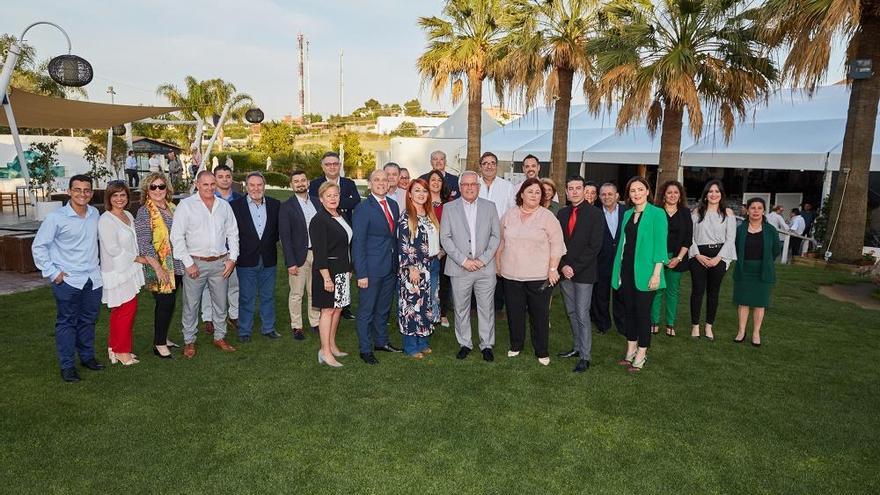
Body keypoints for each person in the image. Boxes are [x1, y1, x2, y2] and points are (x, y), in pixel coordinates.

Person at [32, 175, 105, 382]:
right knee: (66, 323)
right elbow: (39, 247)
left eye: (86, 190)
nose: (82, 193)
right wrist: (53, 273)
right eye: (77, 189)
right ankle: (67, 366)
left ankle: (87, 357)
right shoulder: (56, 217)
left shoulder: (95, 213)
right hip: (68, 281)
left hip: (92, 279)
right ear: (69, 191)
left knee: (88, 321)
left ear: (91, 193)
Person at [496, 178, 566, 366]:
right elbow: (501, 242)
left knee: (540, 315)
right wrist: (498, 265)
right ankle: (516, 345)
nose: (534, 195)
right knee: (514, 312)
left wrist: (553, 269)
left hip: (539, 276)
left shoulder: (548, 217)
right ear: (521, 194)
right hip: (511, 275)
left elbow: (557, 246)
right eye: (530, 191)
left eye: (538, 192)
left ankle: (541, 350)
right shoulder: (509, 215)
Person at [170, 170, 240, 358]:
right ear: (197, 184)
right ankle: (189, 341)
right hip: (195, 264)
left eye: (212, 184)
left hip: (220, 263)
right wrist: (188, 263)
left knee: (220, 303)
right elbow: (177, 237)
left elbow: (233, 233)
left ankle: (220, 337)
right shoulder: (186, 206)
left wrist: (232, 259)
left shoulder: (224, 206)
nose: (209, 188)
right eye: (205, 184)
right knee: (191, 305)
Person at [440, 171, 501, 362]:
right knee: (461, 308)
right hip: (460, 268)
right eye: (465, 184)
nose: (469, 187)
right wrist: (464, 261)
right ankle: (465, 343)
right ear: (459, 187)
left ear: (478, 186)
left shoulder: (490, 207)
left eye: (473, 184)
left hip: (485, 268)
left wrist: (482, 260)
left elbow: (495, 236)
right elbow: (445, 238)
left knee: (486, 308)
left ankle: (487, 344)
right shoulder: (449, 208)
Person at [612, 176, 668, 372]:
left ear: (647, 191)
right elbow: (623, 244)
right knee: (629, 313)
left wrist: (656, 274)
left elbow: (661, 245)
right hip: (626, 270)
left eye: (639, 189)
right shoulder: (627, 214)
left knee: (642, 314)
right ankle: (630, 350)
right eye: (632, 190)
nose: (636, 193)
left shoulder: (657, 214)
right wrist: (618, 272)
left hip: (647, 272)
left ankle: (642, 354)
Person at [352, 170, 402, 365]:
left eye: (384, 179)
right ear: (369, 184)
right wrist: (361, 273)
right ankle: (365, 349)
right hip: (371, 270)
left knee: (383, 309)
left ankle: (381, 342)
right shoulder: (363, 208)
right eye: (376, 180)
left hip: (390, 267)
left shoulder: (393, 205)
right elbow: (358, 243)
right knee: (367, 311)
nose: (381, 183)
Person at [556, 176, 603, 373]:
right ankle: (576, 348)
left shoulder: (595, 214)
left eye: (578, 188)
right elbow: (557, 243)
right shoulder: (562, 213)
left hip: (583, 273)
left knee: (582, 314)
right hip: (565, 272)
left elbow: (594, 247)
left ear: (584, 190)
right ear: (566, 192)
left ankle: (585, 356)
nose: (574, 192)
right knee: (572, 312)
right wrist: (563, 266)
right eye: (570, 188)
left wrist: (573, 267)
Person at [135, 172, 183, 359]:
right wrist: (158, 267)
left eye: (161, 186)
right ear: (147, 190)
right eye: (153, 187)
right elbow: (144, 242)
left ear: (167, 188)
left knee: (169, 304)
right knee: (165, 303)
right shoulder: (144, 211)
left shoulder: (172, 207)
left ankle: (163, 336)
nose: (157, 190)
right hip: (159, 264)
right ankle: (159, 344)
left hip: (176, 263)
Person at [98, 181, 146, 366]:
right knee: (125, 311)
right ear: (109, 198)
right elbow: (113, 249)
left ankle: (114, 348)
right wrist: (138, 259)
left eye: (122, 195)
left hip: (129, 269)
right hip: (117, 272)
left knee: (121, 312)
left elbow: (132, 241)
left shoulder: (127, 215)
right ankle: (122, 351)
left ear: (127, 197)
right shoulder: (106, 220)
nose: (119, 199)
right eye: (115, 195)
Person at [309, 151, 361, 321]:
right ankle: (326, 345)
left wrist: (337, 204)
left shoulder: (348, 183)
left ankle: (344, 309)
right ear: (322, 166)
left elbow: (356, 201)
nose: (332, 166)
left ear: (340, 165)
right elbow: (316, 204)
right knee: (329, 307)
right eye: (328, 164)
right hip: (329, 248)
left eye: (335, 164)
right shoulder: (315, 185)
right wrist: (339, 203)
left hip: (344, 240)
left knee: (338, 301)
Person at [231, 172, 281, 342]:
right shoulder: (235, 206)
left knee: (268, 296)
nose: (256, 188)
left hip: (269, 259)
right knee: (246, 296)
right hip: (246, 259)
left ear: (264, 186)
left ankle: (268, 327)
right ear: (246, 186)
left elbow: (277, 232)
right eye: (252, 185)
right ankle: (244, 330)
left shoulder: (275, 205)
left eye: (259, 185)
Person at [310, 181, 353, 368]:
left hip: (342, 271)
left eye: (336, 195)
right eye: (329, 196)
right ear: (321, 199)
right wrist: (327, 278)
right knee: (327, 310)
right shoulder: (319, 220)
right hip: (327, 272)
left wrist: (349, 269)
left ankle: (332, 346)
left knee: (338, 309)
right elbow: (319, 252)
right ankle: (325, 352)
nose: (333, 198)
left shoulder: (340, 215)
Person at [398, 178, 441, 358]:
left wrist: (438, 252)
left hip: (432, 264)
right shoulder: (406, 217)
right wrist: (411, 267)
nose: (421, 194)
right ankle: (411, 346)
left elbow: (433, 237)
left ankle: (423, 342)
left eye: (424, 191)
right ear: (410, 194)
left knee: (427, 305)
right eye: (417, 190)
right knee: (412, 306)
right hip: (415, 268)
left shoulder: (430, 213)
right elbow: (403, 244)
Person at [689, 179, 737, 341]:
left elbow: (730, 239)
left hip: (719, 255)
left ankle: (709, 326)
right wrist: (697, 255)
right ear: (705, 194)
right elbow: (690, 237)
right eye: (710, 191)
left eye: (717, 191)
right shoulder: (696, 213)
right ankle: (695, 326)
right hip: (698, 255)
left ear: (721, 194)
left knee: (713, 292)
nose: (713, 194)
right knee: (697, 291)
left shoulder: (728, 213)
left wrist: (719, 258)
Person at [279, 170, 322, 340]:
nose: (300, 183)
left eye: (303, 180)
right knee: (297, 293)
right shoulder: (286, 206)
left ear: (308, 182)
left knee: (314, 291)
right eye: (296, 181)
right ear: (291, 185)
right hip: (298, 257)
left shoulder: (318, 203)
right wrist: (290, 262)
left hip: (317, 254)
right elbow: (285, 237)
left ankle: (315, 322)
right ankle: (296, 326)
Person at [734, 198, 782, 347]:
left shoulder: (770, 230)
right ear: (747, 210)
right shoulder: (740, 229)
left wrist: (766, 261)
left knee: (760, 303)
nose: (755, 211)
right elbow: (735, 247)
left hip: (763, 270)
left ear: (763, 211)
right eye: (752, 208)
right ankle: (741, 331)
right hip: (744, 269)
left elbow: (775, 250)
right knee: (743, 302)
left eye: (759, 208)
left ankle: (756, 332)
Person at [199, 164, 241, 335]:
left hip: (231, 251)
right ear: (214, 179)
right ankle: (208, 318)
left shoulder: (239, 199)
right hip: (210, 252)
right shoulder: (205, 198)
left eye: (228, 176)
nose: (225, 179)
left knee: (233, 284)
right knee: (208, 287)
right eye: (221, 176)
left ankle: (234, 315)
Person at [650, 181, 693, 337]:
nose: (673, 195)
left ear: (680, 195)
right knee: (657, 290)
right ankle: (654, 322)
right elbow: (652, 237)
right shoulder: (655, 212)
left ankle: (670, 323)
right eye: (669, 192)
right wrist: (660, 258)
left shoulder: (686, 213)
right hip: (658, 257)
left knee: (672, 291)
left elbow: (688, 239)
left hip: (677, 258)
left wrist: (679, 258)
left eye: (676, 192)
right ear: (663, 195)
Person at [477, 151, 515, 315]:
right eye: (485, 163)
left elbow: (512, 210)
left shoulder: (507, 186)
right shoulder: (474, 184)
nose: (489, 166)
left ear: (497, 166)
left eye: (492, 163)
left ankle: (497, 306)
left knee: (498, 268)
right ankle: (474, 305)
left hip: (500, 234)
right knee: (477, 266)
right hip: (476, 234)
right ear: (480, 166)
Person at [592, 183, 625, 334]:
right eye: (603, 194)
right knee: (601, 294)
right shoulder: (596, 213)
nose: (607, 197)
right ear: (599, 197)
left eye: (610, 194)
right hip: (601, 260)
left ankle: (622, 324)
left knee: (620, 294)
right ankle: (603, 324)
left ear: (617, 195)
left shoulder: (627, 212)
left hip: (621, 261)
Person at [427, 169, 452, 328]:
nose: (436, 183)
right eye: (433, 180)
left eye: (439, 180)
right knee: (427, 283)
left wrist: (443, 249)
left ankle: (442, 313)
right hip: (425, 250)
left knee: (443, 283)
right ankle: (426, 312)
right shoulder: (422, 200)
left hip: (444, 250)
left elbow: (452, 228)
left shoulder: (449, 203)